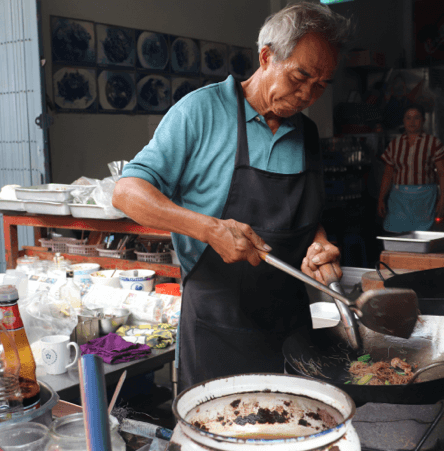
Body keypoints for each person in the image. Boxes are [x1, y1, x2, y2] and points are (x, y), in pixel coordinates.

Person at [112, 3, 352, 391]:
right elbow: (126, 192)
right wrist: (208, 228)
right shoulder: (201, 112)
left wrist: (319, 247)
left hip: (289, 328)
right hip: (215, 329)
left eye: (321, 84)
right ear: (266, 57)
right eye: (300, 76)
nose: (309, 93)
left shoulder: (306, 134)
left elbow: (305, 219)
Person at [378, 104, 444, 233]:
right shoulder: (395, 144)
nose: (412, 122)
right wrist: (381, 199)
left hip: (425, 198)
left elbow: (442, 173)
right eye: (408, 118)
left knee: (422, 234)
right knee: (398, 234)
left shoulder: (433, 143)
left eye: (416, 118)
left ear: (423, 121)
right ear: (403, 121)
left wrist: (443, 199)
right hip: (399, 199)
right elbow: (388, 174)